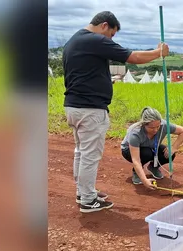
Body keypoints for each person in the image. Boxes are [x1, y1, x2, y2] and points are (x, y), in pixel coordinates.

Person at [63, 11, 170, 213]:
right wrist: (158, 53)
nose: (110, 40)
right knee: (89, 155)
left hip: (74, 106)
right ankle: (87, 199)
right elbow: (132, 57)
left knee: (81, 152)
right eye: (111, 35)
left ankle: (83, 192)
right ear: (104, 25)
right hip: (90, 109)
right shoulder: (94, 39)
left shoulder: (74, 40)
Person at [121, 107, 183, 187]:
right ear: (144, 124)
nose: (156, 130)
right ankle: (137, 173)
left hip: (151, 147)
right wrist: (144, 180)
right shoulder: (135, 133)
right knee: (147, 153)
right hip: (129, 150)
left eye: (158, 127)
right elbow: (136, 160)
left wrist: (173, 147)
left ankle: (154, 167)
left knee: (169, 154)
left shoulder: (163, 125)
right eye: (152, 128)